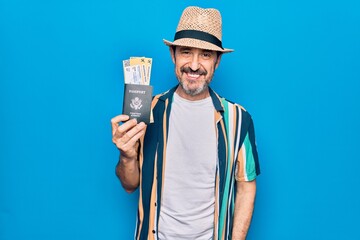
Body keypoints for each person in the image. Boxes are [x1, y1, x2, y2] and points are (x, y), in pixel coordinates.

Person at [111, 6, 260, 240]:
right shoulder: (147, 111)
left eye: (206, 54)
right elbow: (129, 185)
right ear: (173, 55)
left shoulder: (239, 119)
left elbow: (246, 187)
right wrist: (126, 156)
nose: (193, 64)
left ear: (217, 61)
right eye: (186, 52)